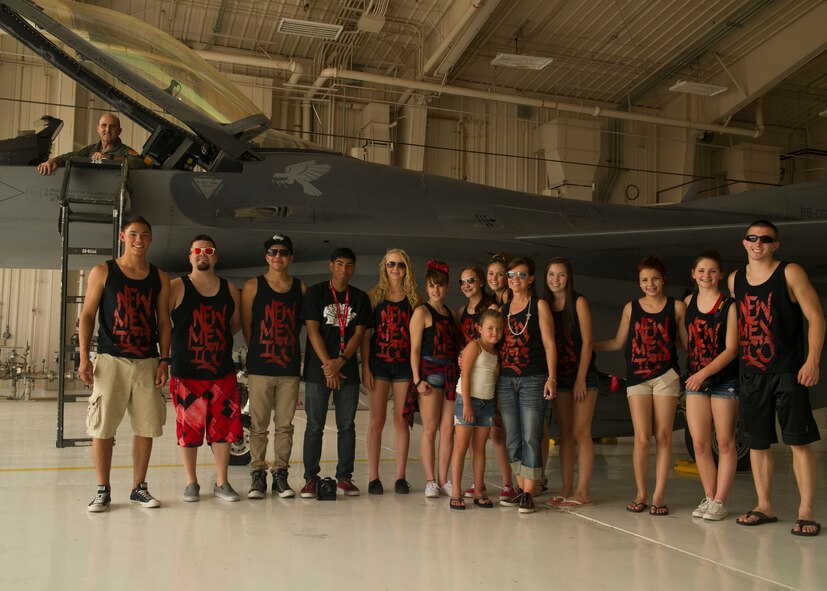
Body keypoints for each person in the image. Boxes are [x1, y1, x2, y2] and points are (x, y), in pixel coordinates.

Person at [728, 220, 824, 536]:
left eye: (766, 239)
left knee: (798, 441)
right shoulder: (735, 280)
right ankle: (764, 505)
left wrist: (812, 361)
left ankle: (806, 511)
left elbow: (816, 317)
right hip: (752, 373)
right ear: (744, 242)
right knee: (757, 444)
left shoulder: (790, 272)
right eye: (752, 238)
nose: (758, 243)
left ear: (775, 245)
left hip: (787, 371)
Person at [79, 215, 170, 512]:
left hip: (147, 361)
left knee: (146, 426)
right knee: (103, 427)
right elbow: (87, 315)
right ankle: (102, 490)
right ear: (122, 237)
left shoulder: (159, 276)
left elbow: (164, 322)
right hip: (111, 360)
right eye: (133, 234)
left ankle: (138, 488)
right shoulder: (103, 271)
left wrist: (164, 360)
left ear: (150, 239)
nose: (138, 240)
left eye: (144, 235)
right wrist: (84, 356)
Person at [595, 255, 686, 517]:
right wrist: (588, 346)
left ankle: (658, 496)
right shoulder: (631, 308)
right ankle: (641, 494)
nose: (650, 284)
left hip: (666, 376)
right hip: (637, 377)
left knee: (664, 436)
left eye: (655, 278)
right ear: (639, 282)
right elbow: (618, 343)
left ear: (663, 279)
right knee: (642, 438)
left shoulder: (677, 307)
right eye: (645, 280)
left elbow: (686, 344)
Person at [169, 235, 243, 502]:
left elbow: (235, 323)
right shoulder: (177, 286)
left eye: (208, 250)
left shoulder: (229, 288)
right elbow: (164, 323)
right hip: (187, 373)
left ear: (215, 257)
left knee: (223, 428)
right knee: (188, 429)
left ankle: (222, 482)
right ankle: (191, 482)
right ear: (190, 256)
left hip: (221, 372)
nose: (203, 254)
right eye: (197, 250)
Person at [300, 247, 371, 498]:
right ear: (331, 266)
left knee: (346, 426)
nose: (344, 269)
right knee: (314, 426)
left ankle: (344, 478)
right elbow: (312, 331)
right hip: (318, 370)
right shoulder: (316, 293)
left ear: (354, 269)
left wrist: (340, 361)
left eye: (349, 265)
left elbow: (359, 334)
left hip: (346, 369)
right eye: (339, 264)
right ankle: (310, 479)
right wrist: (329, 366)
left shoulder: (360, 298)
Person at [241, 234, 307, 499]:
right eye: (272, 252)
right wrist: (259, 351)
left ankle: (280, 474)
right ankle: (257, 475)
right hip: (260, 367)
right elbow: (247, 326)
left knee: (285, 425)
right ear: (266, 257)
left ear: (290, 257)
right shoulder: (253, 286)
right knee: (258, 425)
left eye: (283, 252)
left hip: (289, 368)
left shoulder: (300, 288)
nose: (277, 256)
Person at [497, 257, 557, 514]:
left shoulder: (539, 306)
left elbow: (549, 344)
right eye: (511, 275)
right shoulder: (504, 309)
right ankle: (522, 489)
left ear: (531, 278)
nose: (515, 279)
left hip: (533, 378)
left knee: (532, 435)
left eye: (521, 275)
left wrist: (551, 377)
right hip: (506, 380)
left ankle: (530, 492)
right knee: (512, 437)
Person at [684, 251, 739, 521]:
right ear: (693, 274)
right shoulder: (688, 302)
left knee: (725, 442)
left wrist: (702, 373)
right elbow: (686, 341)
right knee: (699, 443)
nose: (706, 275)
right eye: (701, 271)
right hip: (695, 380)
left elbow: (731, 349)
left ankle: (720, 500)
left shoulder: (729, 306)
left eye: (712, 271)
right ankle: (709, 495)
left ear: (720, 275)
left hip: (723, 380)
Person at [361, 249, 420, 495]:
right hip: (379, 365)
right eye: (391, 264)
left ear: (407, 268)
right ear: (384, 267)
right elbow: (365, 335)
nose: (395, 268)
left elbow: (418, 338)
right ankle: (373, 477)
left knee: (401, 420)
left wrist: (417, 372)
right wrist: (365, 367)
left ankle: (400, 477)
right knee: (377, 420)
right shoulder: (374, 296)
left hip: (404, 366)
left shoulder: (414, 298)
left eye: (400, 264)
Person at [542, 258, 598, 508]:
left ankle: (582, 492)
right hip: (560, 376)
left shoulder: (578, 302)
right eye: (551, 274)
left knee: (580, 432)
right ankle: (566, 488)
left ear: (569, 277)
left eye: (561, 275)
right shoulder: (544, 305)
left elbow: (587, 342)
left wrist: (581, 379)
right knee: (564, 433)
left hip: (582, 376)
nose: (555, 280)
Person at [457, 265, 515, 501]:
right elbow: (467, 365)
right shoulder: (465, 316)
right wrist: (467, 404)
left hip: (489, 391)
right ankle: (467, 486)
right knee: (467, 444)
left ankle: (499, 485)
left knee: (489, 440)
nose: (466, 285)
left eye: (471, 280)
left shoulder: (492, 310)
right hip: (471, 391)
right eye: (462, 282)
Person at [408, 260, 463, 498]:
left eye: (439, 285)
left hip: (450, 373)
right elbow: (414, 349)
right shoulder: (421, 312)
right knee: (430, 428)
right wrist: (417, 380)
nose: (435, 290)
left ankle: (443, 479)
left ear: (447, 286)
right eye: (431, 286)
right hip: (430, 373)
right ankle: (430, 480)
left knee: (448, 430)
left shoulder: (451, 313)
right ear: (427, 287)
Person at [449, 309, 504, 510]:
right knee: (461, 447)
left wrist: (495, 409)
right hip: (467, 401)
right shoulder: (475, 346)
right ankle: (456, 492)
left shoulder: (496, 352)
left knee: (479, 448)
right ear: (480, 329)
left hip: (487, 404)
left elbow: (492, 382)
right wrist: (467, 404)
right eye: (490, 328)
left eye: (498, 329)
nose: (494, 332)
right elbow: (465, 376)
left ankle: (479, 491)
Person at [37, 113, 144, 175]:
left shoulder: (125, 151)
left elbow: (139, 163)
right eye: (104, 125)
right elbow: (71, 156)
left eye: (113, 126)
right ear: (98, 129)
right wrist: (53, 161)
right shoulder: (91, 150)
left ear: (119, 131)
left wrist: (109, 158)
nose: (107, 130)